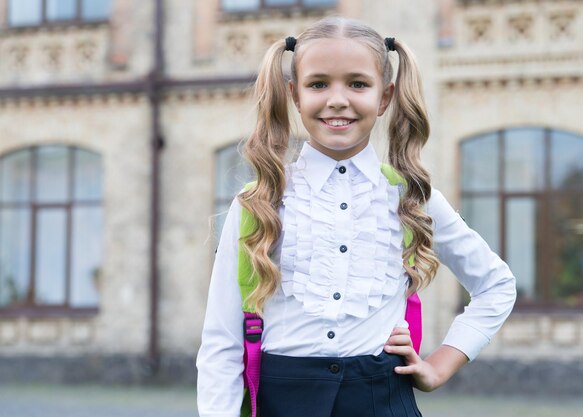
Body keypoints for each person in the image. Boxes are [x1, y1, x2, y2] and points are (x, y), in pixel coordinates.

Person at [197, 16, 516, 417]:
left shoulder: (411, 198)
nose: (337, 99)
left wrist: (439, 366)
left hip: (382, 401)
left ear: (384, 97)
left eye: (358, 84)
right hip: (283, 403)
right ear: (295, 95)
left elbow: (496, 285)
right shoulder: (258, 202)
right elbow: (221, 343)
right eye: (318, 84)